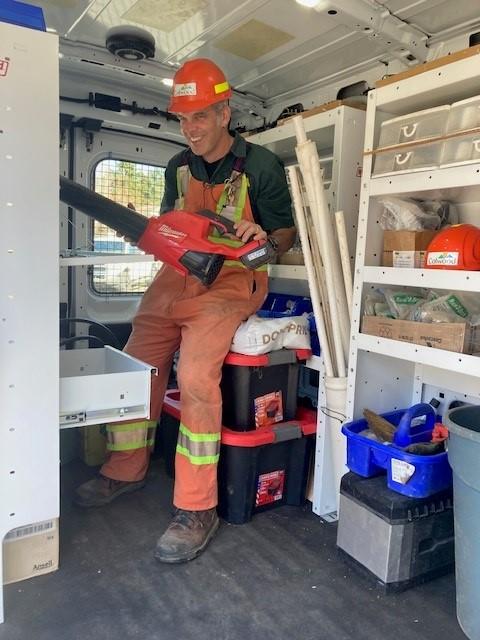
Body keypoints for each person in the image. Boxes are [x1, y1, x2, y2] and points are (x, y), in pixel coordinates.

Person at [74, 58, 296, 563]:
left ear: (225, 112)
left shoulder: (260, 166)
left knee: (195, 376)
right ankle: (125, 467)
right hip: (179, 272)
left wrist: (262, 238)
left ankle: (198, 507)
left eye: (199, 116)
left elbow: (283, 235)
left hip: (236, 277)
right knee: (136, 362)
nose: (190, 128)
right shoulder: (177, 167)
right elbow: (174, 226)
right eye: (183, 118)